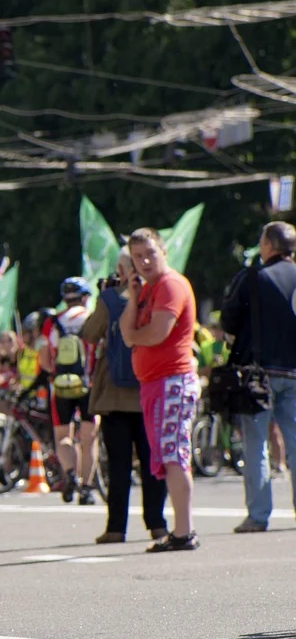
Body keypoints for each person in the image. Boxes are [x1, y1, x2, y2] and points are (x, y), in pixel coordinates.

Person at [120, 228, 200, 552]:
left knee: (174, 455)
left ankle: (184, 532)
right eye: (137, 256)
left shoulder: (170, 285)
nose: (145, 261)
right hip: (155, 384)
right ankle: (181, 530)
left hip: (173, 381)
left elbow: (155, 333)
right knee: (168, 456)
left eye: (150, 252)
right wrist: (134, 295)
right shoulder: (148, 290)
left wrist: (135, 336)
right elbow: (126, 332)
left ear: (163, 250)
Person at [82, 250, 168, 543]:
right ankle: (157, 524)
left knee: (118, 465)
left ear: (121, 268)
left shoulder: (110, 298)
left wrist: (104, 296)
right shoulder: (158, 294)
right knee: (153, 463)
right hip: (150, 389)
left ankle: (116, 528)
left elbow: (90, 333)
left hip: (115, 396)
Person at [220, 221, 296, 533]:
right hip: (294, 373)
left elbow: (229, 320)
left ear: (268, 246)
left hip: (257, 376)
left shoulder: (254, 277)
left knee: (256, 444)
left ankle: (259, 515)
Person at [39, 277, 100, 505]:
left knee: (63, 436)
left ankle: (71, 474)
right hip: (88, 385)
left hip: (61, 386)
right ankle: (86, 488)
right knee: (88, 438)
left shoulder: (53, 322)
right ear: (85, 297)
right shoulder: (91, 318)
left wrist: (55, 372)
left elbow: (44, 360)